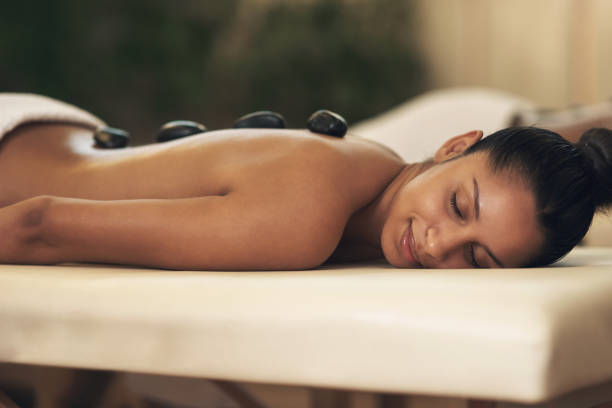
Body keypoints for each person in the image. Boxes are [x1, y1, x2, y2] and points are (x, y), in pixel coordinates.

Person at [0, 94, 610, 270]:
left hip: (53, 132)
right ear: (454, 148)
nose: (437, 244)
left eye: (476, 258)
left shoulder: (373, 186)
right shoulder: (307, 216)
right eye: (457, 205)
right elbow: (39, 224)